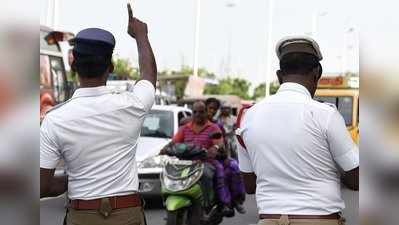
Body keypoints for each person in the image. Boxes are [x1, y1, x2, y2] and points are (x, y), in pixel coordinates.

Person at [40, 4, 157, 225]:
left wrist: (75, 180)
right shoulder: (131, 104)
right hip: (127, 215)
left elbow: (42, 187)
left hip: (82, 216)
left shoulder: (54, 120)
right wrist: (141, 35)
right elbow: (148, 76)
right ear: (111, 67)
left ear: (72, 63)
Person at [237, 36, 359, 225]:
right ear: (317, 72)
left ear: (279, 76)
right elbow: (356, 179)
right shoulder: (325, 114)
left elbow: (250, 186)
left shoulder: (249, 117)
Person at [165, 101, 234, 216]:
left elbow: (219, 143)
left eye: (201, 112)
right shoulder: (185, 128)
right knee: (170, 172)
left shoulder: (213, 127)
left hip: (206, 162)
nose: (198, 115)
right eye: (195, 112)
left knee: (206, 174)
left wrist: (215, 148)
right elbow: (174, 142)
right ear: (192, 113)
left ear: (206, 113)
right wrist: (164, 150)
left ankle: (207, 204)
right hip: (186, 163)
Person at [205, 98, 246, 214]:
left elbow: (224, 143)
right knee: (220, 172)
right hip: (201, 159)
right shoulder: (191, 123)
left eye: (214, 109)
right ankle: (224, 203)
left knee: (235, 167)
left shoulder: (218, 125)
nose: (211, 111)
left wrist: (226, 156)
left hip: (223, 153)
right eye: (209, 108)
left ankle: (236, 200)